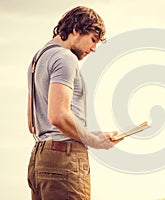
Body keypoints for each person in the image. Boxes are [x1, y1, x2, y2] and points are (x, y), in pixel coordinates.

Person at [27, 6, 121, 199]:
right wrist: (93, 140)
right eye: (93, 40)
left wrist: (88, 134)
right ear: (76, 30)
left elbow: (32, 124)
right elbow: (58, 116)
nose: (94, 48)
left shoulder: (37, 60)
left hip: (40, 158)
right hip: (64, 158)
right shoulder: (65, 58)